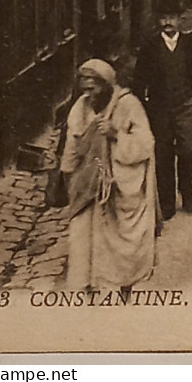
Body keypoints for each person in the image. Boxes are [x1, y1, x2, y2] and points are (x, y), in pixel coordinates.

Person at [60, 59, 158, 291]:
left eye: (92, 89)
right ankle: (88, 286)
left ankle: (122, 286)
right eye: (84, 89)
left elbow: (146, 144)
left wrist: (116, 134)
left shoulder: (128, 104)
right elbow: (71, 145)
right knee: (83, 238)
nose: (89, 94)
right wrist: (68, 175)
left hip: (119, 184)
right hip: (87, 184)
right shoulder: (80, 107)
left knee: (119, 242)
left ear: (106, 85)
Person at [132, 0, 192, 220]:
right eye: (163, 18)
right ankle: (167, 202)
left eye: (172, 17)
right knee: (163, 154)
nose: (168, 22)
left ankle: (186, 189)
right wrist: (146, 108)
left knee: (189, 148)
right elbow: (139, 81)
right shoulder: (150, 47)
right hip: (160, 108)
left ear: (179, 19)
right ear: (158, 20)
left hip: (187, 105)